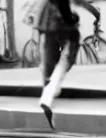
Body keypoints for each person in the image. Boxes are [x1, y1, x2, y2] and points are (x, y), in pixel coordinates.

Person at [37, 0, 100, 129]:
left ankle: (48, 91)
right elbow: (68, 4)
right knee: (66, 58)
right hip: (61, 22)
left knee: (49, 57)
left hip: (47, 20)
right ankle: (48, 94)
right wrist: (72, 19)